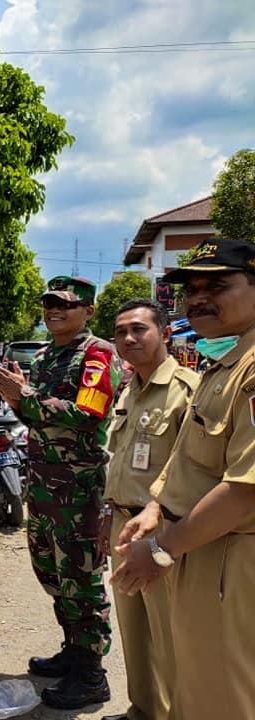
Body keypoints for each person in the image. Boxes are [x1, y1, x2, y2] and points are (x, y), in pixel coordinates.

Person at [111, 239, 255, 719]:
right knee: (194, 686)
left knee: (225, 697)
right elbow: (190, 459)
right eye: (192, 288)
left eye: (218, 285)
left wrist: (159, 549)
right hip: (194, 550)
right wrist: (155, 510)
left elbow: (244, 489)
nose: (198, 298)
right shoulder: (226, 366)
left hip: (230, 563)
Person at [0, 276, 119, 710]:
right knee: (53, 574)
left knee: (81, 578)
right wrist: (19, 396)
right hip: (42, 481)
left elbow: (87, 413)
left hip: (78, 487)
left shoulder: (96, 355)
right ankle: (72, 650)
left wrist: (25, 395)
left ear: (88, 310)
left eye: (64, 304)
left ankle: (91, 674)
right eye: (48, 304)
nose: (53, 311)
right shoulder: (45, 357)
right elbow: (36, 417)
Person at [101, 299, 197, 720]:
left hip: (163, 527)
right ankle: (143, 710)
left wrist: (164, 536)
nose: (128, 338)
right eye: (121, 331)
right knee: (134, 631)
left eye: (139, 329)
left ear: (165, 333)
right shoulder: (129, 390)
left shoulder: (187, 391)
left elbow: (193, 470)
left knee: (171, 636)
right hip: (122, 523)